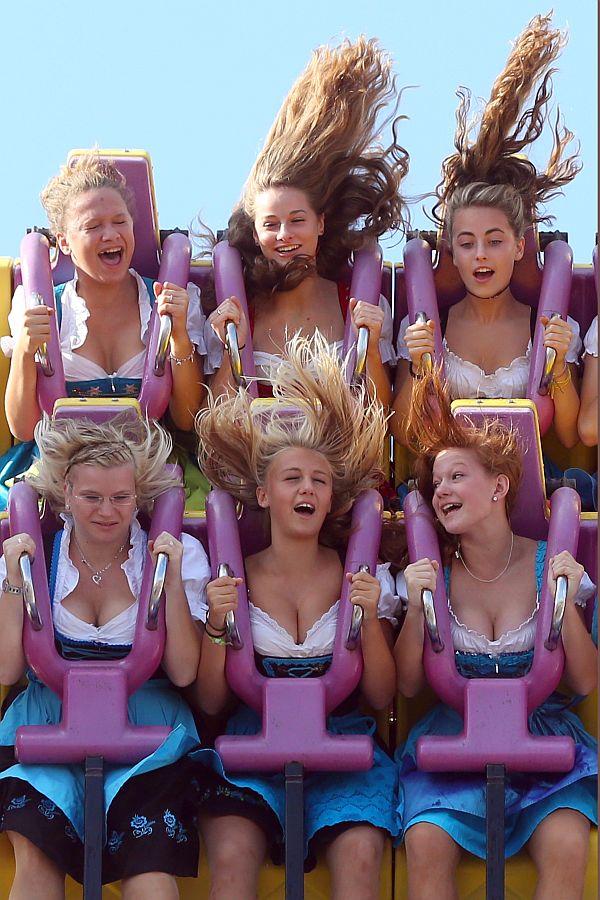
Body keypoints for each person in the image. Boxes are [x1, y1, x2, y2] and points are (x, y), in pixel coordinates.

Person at [193, 333, 400, 899]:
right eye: (292, 479)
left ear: (332, 500)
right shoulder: (235, 573)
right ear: (263, 495)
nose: (307, 489)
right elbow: (211, 702)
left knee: (359, 858)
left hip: (342, 740)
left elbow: (381, 697)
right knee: (233, 856)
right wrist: (217, 625)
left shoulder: (355, 573)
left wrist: (371, 618)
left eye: (320, 482)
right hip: (251, 743)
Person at [393, 369, 597, 900]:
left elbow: (585, 678)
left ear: (500, 486)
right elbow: (410, 686)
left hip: (541, 737)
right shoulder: (433, 570)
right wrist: (417, 608)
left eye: (456, 476)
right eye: (436, 483)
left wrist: (564, 602)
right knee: (427, 841)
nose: (442, 492)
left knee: (566, 842)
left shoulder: (548, 560)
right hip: (455, 737)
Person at [0, 415, 212, 897]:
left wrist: (170, 579)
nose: (107, 511)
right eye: (92, 497)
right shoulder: (37, 557)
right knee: (36, 859)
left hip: (147, 724)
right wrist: (14, 580)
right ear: (66, 496)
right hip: (48, 718)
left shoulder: (172, 556)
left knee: (150, 872)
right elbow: (6, 669)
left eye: (120, 498)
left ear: (137, 498)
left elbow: (182, 671)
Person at [392, 14, 582, 450]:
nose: (481, 255)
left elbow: (571, 436)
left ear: (518, 247)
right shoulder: (427, 325)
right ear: (452, 254)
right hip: (446, 481)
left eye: (494, 241)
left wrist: (558, 369)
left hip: (525, 485)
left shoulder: (548, 324)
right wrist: (420, 366)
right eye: (467, 243)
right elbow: (403, 434)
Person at [205, 37, 408, 408]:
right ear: (255, 233)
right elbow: (214, 419)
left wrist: (372, 351)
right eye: (270, 224)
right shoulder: (239, 308)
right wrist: (233, 346)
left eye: (297, 220)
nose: (284, 235)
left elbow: (379, 413)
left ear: (320, 224)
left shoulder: (357, 303)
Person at [0, 154, 209, 506]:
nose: (110, 235)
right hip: (59, 464)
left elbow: (187, 418)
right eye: (93, 226)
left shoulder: (171, 299)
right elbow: (23, 427)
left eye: (119, 222)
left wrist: (179, 338)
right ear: (64, 242)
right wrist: (24, 349)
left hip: (147, 463)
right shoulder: (41, 304)